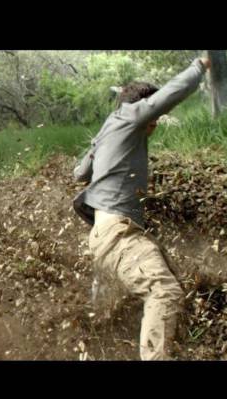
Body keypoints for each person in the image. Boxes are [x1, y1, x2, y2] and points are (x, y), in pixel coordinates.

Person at [72, 57, 212, 360]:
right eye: (153, 117)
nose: (156, 124)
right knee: (164, 291)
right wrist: (199, 66)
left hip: (104, 234)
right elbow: (168, 95)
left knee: (114, 314)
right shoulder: (128, 117)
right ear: (139, 108)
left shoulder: (108, 131)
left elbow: (79, 173)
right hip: (117, 234)